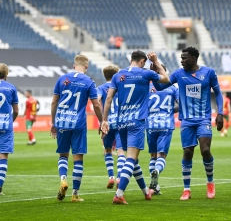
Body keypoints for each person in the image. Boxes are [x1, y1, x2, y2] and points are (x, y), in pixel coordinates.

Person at [152, 47, 224, 200]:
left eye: (184, 58)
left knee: (205, 150)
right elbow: (160, 86)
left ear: (194, 58)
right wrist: (156, 70)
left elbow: (218, 93)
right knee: (187, 153)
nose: (181, 60)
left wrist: (220, 113)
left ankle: (210, 183)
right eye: (181, 58)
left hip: (203, 118)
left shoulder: (208, 73)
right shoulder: (178, 74)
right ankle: (186, 189)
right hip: (186, 120)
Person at [101, 50, 170, 205]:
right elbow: (166, 78)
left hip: (121, 122)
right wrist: (156, 61)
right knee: (131, 158)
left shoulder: (118, 75)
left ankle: (145, 191)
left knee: (134, 160)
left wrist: (104, 120)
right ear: (142, 61)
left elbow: (109, 98)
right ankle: (119, 194)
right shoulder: (145, 74)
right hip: (136, 122)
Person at [50, 54, 103, 202]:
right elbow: (96, 104)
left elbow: (54, 102)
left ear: (74, 65)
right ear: (86, 67)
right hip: (78, 123)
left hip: (62, 122)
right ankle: (75, 194)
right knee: (78, 158)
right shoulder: (88, 81)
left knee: (63, 155)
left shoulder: (62, 79)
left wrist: (54, 123)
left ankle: (63, 179)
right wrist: (102, 121)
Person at [146, 64, 179, 195]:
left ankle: (154, 187)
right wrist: (171, 110)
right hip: (166, 124)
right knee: (162, 155)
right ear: (164, 72)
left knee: (153, 155)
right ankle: (157, 171)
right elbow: (181, 104)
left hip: (150, 125)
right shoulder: (172, 87)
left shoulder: (146, 87)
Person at [97, 65, 126, 189]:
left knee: (107, 150)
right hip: (121, 122)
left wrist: (102, 120)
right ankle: (120, 177)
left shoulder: (101, 88)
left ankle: (111, 177)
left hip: (107, 123)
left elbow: (97, 101)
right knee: (120, 151)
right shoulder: (121, 87)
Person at [0, 63, 19, 195]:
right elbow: (16, 110)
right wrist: (10, 120)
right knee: (3, 155)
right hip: (5, 125)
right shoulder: (11, 88)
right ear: (6, 74)